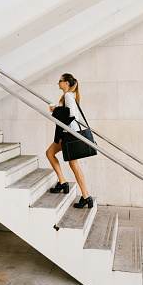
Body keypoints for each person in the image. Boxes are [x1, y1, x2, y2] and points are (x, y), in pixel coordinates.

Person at [46, 73, 93, 209]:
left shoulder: (68, 96)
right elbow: (68, 113)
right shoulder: (68, 96)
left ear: (66, 83)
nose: (58, 83)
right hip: (68, 134)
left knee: (71, 165)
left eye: (60, 81)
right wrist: (57, 110)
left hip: (69, 135)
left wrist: (56, 110)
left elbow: (71, 115)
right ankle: (66, 184)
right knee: (57, 157)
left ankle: (83, 195)